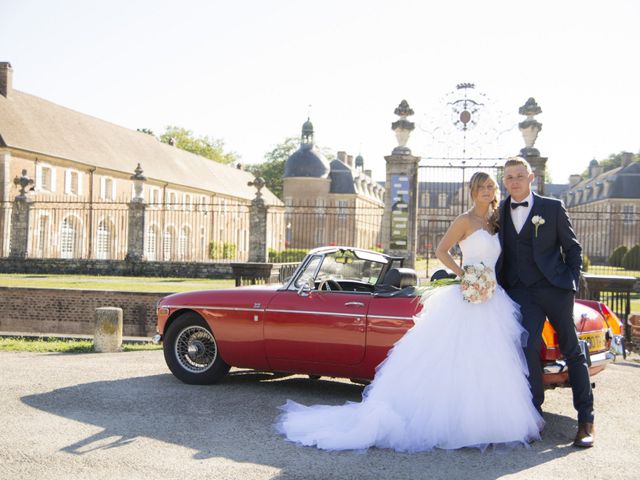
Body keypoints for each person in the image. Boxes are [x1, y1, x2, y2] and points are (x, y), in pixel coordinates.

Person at [275, 172, 543, 452]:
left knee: (491, 360)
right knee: (457, 358)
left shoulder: (496, 221)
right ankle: (452, 422)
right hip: (467, 294)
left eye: (490, 186)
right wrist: (465, 274)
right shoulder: (464, 220)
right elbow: (442, 250)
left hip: (492, 299)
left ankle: (493, 422)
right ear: (473, 191)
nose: (487, 191)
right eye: (481, 187)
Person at [496, 156, 594, 448]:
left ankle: (586, 420)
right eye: (509, 177)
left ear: (531, 177)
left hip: (555, 289)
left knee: (571, 350)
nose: (514, 181)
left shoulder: (552, 208)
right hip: (522, 292)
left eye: (519, 175)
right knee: (528, 347)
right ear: (505, 181)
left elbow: (572, 249)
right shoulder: (499, 211)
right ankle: (534, 415)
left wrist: (570, 284)